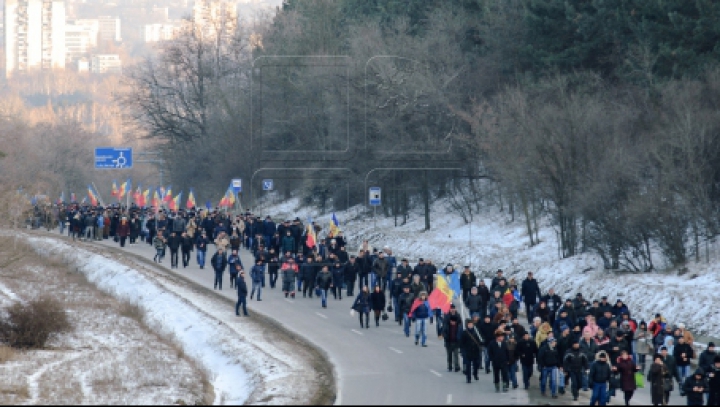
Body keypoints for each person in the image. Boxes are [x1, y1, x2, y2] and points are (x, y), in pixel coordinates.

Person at [459, 318, 483, 384]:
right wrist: (462, 350)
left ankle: (475, 373)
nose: (470, 325)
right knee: (468, 365)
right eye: (469, 324)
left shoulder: (477, 332)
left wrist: (481, 344)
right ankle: (468, 378)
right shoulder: (465, 333)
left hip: (476, 350)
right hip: (468, 351)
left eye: (471, 324)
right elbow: (461, 342)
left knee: (476, 364)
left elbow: (480, 340)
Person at [441, 305, 463, 372]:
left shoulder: (458, 316)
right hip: (449, 339)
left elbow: (461, 323)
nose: (453, 310)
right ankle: (450, 366)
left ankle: (457, 366)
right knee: (449, 354)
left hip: (456, 340)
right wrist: (444, 336)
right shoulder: (447, 317)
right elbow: (444, 328)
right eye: (451, 308)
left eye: (454, 308)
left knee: (456, 354)